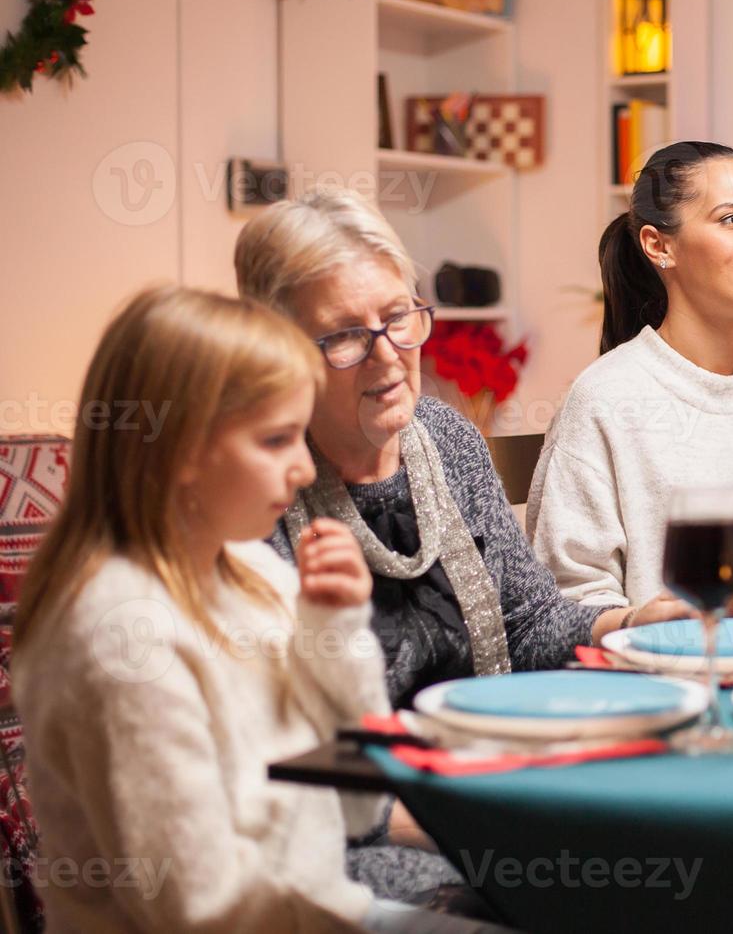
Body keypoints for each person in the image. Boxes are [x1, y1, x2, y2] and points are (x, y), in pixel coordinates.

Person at [233, 189, 686, 902]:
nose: (387, 356)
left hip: (485, 794)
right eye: (347, 335)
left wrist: (633, 625)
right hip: (345, 837)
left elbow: (531, 623)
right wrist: (482, 825)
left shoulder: (446, 441)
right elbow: (270, 763)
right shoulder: (257, 493)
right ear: (277, 350)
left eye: (398, 318)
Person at [12, 288, 497, 933]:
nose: (303, 469)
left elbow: (360, 803)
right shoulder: (122, 634)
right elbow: (198, 905)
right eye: (276, 440)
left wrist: (337, 626)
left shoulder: (252, 572)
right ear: (178, 451)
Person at [524, 141, 733, 613]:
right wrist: (662, 620)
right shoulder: (605, 398)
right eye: (731, 219)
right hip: (655, 674)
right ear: (660, 246)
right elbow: (562, 608)